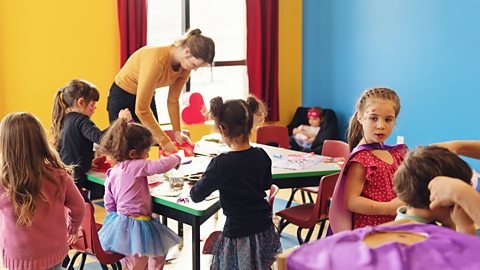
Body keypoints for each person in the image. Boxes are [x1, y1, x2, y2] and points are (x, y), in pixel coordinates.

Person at [190, 96, 281, 270]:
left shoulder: (221, 163)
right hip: (264, 228)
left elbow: (196, 195)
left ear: (222, 130)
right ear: (249, 125)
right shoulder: (261, 154)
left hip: (238, 232)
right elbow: (265, 184)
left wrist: (208, 177)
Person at [107, 28, 215, 154]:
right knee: (125, 150)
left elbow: (173, 101)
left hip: (147, 98)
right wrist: (165, 141)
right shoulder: (156, 60)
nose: (194, 69)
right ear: (187, 51)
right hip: (122, 95)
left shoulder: (185, 67)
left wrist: (177, 133)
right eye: (194, 65)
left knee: (150, 146)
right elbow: (141, 109)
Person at [0, 112, 85, 270]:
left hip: (19, 258)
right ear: (40, 141)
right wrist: (72, 228)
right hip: (55, 253)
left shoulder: (4, 181)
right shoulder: (58, 176)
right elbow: (79, 207)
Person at [97, 118, 182, 270]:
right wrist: (176, 158)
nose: (148, 157)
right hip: (137, 223)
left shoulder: (112, 172)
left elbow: (109, 201)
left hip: (124, 222)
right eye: (147, 153)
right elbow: (159, 166)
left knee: (153, 255)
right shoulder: (134, 166)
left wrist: (116, 220)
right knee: (140, 261)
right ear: (133, 153)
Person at [329, 87, 407, 233]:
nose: (381, 126)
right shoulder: (362, 158)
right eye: (373, 118)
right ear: (360, 117)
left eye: (388, 119)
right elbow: (351, 201)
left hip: (392, 227)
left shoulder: (395, 153)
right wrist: (389, 208)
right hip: (370, 232)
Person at [51, 79, 132, 192]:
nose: (95, 108)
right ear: (81, 102)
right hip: (76, 177)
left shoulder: (65, 118)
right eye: (93, 104)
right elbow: (101, 138)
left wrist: (87, 161)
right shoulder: (81, 120)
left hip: (66, 174)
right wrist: (121, 121)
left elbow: (70, 149)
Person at [393, 146, 476, 235]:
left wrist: (448, 223)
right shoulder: (417, 237)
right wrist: (467, 228)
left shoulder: (408, 218)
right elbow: (468, 248)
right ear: (438, 199)